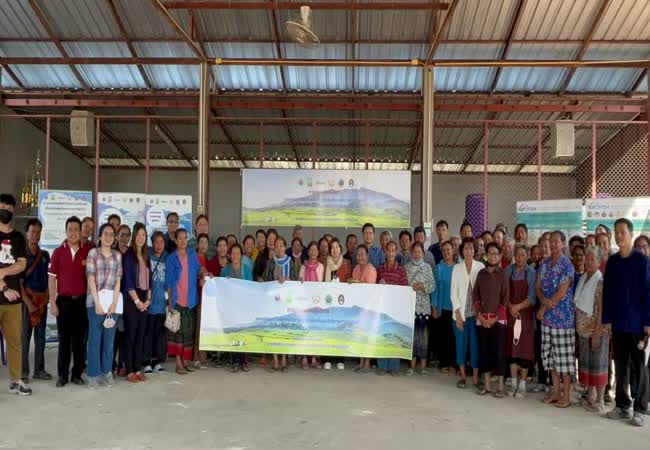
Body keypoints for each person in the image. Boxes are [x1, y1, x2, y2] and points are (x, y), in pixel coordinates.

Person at [603, 218, 649, 426]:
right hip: (618, 324)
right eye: (616, 232)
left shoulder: (642, 261)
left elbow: (647, 293)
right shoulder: (613, 262)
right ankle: (622, 405)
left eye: (622, 232)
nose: (619, 235)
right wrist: (607, 320)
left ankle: (640, 408)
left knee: (640, 367)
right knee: (620, 365)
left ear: (631, 234)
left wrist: (648, 321)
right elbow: (607, 293)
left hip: (638, 325)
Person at [49, 216, 92, 388]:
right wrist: (52, 303)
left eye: (76, 229)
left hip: (81, 302)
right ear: (66, 231)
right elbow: (51, 279)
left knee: (79, 341)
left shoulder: (88, 252)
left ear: (80, 231)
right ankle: (62, 375)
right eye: (70, 229)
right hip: (64, 302)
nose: (73, 233)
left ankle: (76, 374)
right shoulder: (58, 252)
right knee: (64, 340)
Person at [536, 231, 575, 409]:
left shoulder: (567, 265)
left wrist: (543, 307)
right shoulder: (544, 264)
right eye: (550, 241)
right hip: (547, 321)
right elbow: (537, 287)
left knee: (564, 361)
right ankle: (555, 392)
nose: (552, 244)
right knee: (550, 358)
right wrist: (543, 302)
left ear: (563, 244)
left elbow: (561, 292)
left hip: (562, 321)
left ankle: (566, 395)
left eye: (556, 241)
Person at [85, 223, 122, 389]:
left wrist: (114, 303)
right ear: (99, 236)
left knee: (109, 341)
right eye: (105, 234)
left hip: (112, 306)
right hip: (95, 304)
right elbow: (91, 279)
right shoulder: (93, 253)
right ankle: (93, 375)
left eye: (111, 234)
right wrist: (97, 303)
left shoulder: (117, 256)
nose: (108, 237)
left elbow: (118, 281)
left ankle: (107, 372)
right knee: (94, 341)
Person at [0, 194, 30, 396]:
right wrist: (4, 287)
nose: (6, 210)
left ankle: (16, 380)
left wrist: (3, 271)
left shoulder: (18, 237)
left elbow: (22, 264)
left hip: (14, 301)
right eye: (3, 206)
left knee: (15, 342)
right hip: (6, 293)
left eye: (10, 208)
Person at [473, 242, 509, 398]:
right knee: (484, 351)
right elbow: (475, 295)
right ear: (486, 255)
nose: (493, 256)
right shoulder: (481, 274)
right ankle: (487, 386)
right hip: (483, 319)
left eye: (496, 253)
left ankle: (500, 387)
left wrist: (495, 318)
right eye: (490, 253)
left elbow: (505, 299)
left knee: (499, 352)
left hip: (498, 321)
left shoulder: (503, 275)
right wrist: (479, 315)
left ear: (500, 256)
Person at [575, 246, 609, 413]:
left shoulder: (600, 281)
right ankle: (590, 395)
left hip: (597, 330)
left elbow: (602, 310)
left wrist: (597, 332)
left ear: (599, 261)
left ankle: (600, 399)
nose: (588, 262)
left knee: (598, 363)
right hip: (583, 331)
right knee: (587, 363)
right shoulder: (583, 278)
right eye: (587, 258)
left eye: (592, 259)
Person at [166, 229, 203, 375]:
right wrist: (170, 303)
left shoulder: (192, 254)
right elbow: (169, 283)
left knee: (189, 332)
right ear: (175, 241)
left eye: (185, 238)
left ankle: (186, 361)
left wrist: (205, 273)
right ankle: (178, 363)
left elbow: (199, 270)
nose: (182, 241)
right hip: (177, 301)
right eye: (180, 238)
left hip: (191, 300)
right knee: (178, 333)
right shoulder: (171, 258)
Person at [21, 219, 52, 383]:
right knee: (25, 338)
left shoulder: (45, 255)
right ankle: (23, 373)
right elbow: (18, 283)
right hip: (27, 303)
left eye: (38, 232)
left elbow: (48, 279)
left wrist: (46, 298)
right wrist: (28, 303)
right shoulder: (21, 256)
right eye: (32, 232)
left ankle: (39, 370)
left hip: (41, 302)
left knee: (41, 338)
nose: (35, 235)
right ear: (27, 233)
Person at [450, 237, 484, 389]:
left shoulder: (480, 266)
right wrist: (457, 315)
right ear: (462, 251)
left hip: (476, 316)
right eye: (466, 248)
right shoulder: (457, 268)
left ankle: (476, 377)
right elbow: (453, 293)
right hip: (461, 316)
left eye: (471, 248)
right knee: (461, 346)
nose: (468, 251)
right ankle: (463, 376)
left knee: (475, 347)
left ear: (474, 250)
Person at [504, 245, 537, 398]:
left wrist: (517, 307)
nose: (519, 258)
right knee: (512, 348)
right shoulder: (508, 271)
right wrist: (510, 306)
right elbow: (504, 292)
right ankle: (512, 382)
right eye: (517, 255)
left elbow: (532, 297)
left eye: (523, 255)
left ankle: (522, 384)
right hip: (511, 314)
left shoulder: (531, 273)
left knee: (524, 350)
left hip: (526, 315)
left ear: (527, 256)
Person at [263, 236, 299, 372]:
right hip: (273, 301)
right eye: (276, 245)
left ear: (285, 247)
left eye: (281, 245)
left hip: (287, 301)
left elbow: (295, 280)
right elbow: (266, 280)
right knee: (274, 329)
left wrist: (288, 279)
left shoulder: (291, 262)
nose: (278, 248)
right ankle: (275, 359)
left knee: (284, 328)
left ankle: (284, 357)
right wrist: (274, 281)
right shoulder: (270, 263)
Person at [122, 223, 152, 383]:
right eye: (138, 234)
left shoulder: (146, 256)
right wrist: (137, 301)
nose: (141, 238)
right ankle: (129, 370)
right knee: (131, 336)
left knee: (141, 336)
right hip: (132, 300)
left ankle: (138, 368)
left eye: (143, 235)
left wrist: (148, 300)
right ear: (134, 236)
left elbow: (150, 281)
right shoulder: (128, 255)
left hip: (144, 299)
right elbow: (128, 282)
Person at [377, 240, 409, 376]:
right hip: (383, 308)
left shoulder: (401, 269)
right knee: (383, 336)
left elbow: (405, 288)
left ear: (396, 253)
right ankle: (382, 366)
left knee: (395, 337)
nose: (390, 253)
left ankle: (394, 367)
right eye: (388, 250)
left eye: (393, 251)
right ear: (385, 252)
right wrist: (379, 283)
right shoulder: (380, 268)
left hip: (396, 309)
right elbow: (374, 288)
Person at [221, 243, 253, 372]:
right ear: (230, 255)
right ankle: (234, 361)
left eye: (238, 253)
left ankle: (243, 361)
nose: (235, 256)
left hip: (243, 307)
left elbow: (251, 287)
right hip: (231, 307)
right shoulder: (225, 270)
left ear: (241, 255)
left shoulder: (247, 270)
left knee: (243, 333)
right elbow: (221, 288)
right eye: (233, 253)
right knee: (233, 334)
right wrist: (225, 281)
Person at [405, 242, 435, 376]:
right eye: (414, 251)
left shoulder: (427, 267)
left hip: (424, 308)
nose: (416, 254)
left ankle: (423, 367)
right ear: (411, 253)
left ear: (423, 253)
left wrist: (422, 286)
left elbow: (432, 286)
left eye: (419, 251)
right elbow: (403, 285)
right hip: (410, 307)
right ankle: (411, 366)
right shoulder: (406, 267)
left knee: (423, 337)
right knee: (412, 337)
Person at [349, 244, 377, 372]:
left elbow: (369, 290)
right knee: (360, 334)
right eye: (358, 254)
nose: (360, 257)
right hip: (359, 307)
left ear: (367, 255)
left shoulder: (371, 269)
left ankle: (367, 363)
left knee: (367, 335)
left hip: (369, 307)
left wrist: (357, 283)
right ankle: (361, 362)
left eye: (362, 254)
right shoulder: (355, 269)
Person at [144, 231, 167, 374]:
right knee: (148, 334)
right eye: (156, 242)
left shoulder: (167, 258)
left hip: (162, 304)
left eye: (161, 242)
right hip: (149, 303)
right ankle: (146, 362)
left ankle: (157, 361)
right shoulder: (147, 257)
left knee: (160, 334)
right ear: (152, 243)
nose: (159, 245)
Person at [299, 241, 324, 370]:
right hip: (305, 302)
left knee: (315, 330)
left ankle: (314, 358)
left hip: (317, 302)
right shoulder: (303, 267)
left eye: (315, 249)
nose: (313, 252)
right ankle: (304, 357)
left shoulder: (321, 267)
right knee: (305, 329)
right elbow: (299, 284)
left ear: (318, 252)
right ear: (308, 252)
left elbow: (322, 284)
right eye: (311, 250)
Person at [433, 241, 455, 375]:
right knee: (443, 337)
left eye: (448, 249)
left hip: (455, 308)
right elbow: (435, 289)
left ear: (453, 251)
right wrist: (434, 307)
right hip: (442, 308)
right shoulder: (439, 268)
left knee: (453, 338)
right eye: (444, 250)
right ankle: (444, 363)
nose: (446, 252)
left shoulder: (458, 267)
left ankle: (452, 364)